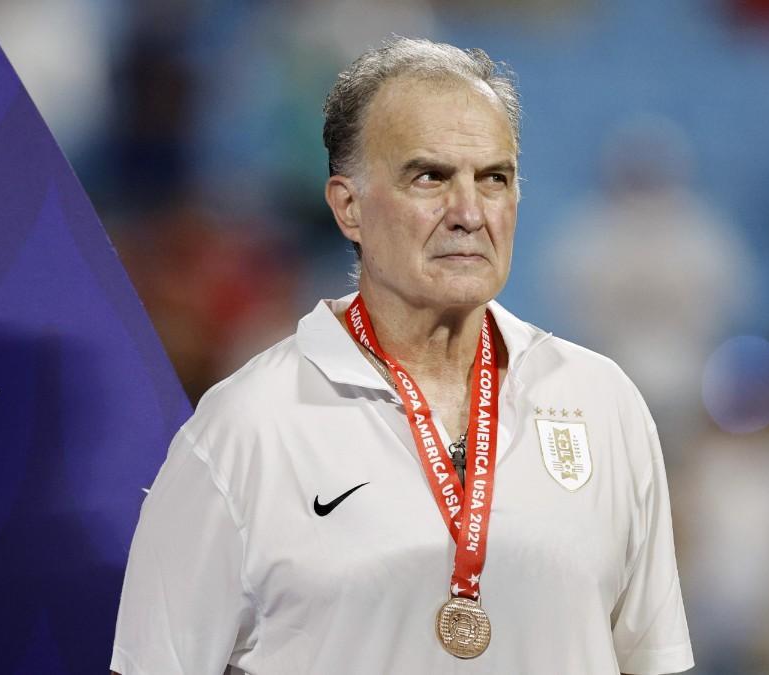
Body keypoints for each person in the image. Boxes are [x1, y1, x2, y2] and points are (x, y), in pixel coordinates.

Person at [110, 37, 693, 675]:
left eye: (494, 178)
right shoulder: (244, 429)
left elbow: (651, 661)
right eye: (430, 177)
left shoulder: (602, 403)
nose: (469, 213)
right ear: (348, 207)